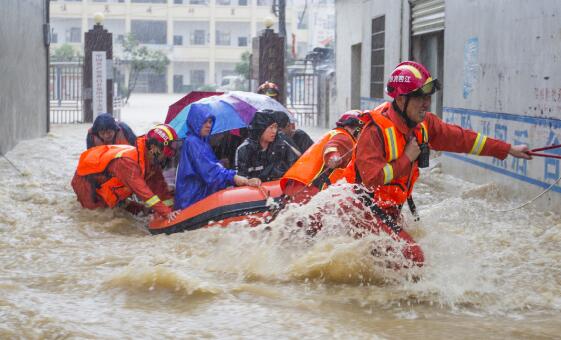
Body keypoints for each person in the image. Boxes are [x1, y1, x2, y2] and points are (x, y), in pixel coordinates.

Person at [346, 61, 531, 263]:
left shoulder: (424, 124)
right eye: (419, 97)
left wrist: (508, 149)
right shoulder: (374, 131)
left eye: (428, 97)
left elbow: (463, 139)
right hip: (361, 210)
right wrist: (407, 158)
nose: (426, 103)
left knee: (398, 259)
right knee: (414, 258)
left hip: (388, 210)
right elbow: (371, 178)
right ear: (400, 99)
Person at [71, 124, 180, 220]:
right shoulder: (128, 163)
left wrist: (170, 209)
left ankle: (125, 205)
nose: (167, 156)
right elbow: (143, 192)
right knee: (98, 216)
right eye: (165, 153)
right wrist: (166, 213)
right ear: (154, 148)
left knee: (139, 210)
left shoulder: (150, 162)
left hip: (107, 181)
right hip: (86, 181)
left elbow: (159, 188)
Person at [174, 109, 261, 210]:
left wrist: (221, 165)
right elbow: (210, 172)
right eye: (204, 121)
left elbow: (207, 166)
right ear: (196, 121)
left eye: (210, 122)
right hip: (192, 200)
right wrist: (236, 178)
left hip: (198, 196)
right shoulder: (193, 142)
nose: (208, 125)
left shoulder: (201, 142)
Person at [281, 110, 365, 203]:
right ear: (356, 129)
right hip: (312, 190)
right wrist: (333, 157)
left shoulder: (334, 133)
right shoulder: (345, 137)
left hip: (299, 186)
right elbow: (332, 146)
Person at [235, 110, 298, 182]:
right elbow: (240, 178)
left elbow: (293, 167)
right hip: (255, 190)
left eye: (276, 127)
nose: (274, 131)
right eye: (271, 127)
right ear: (260, 128)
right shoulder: (244, 149)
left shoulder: (280, 145)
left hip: (278, 188)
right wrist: (250, 181)